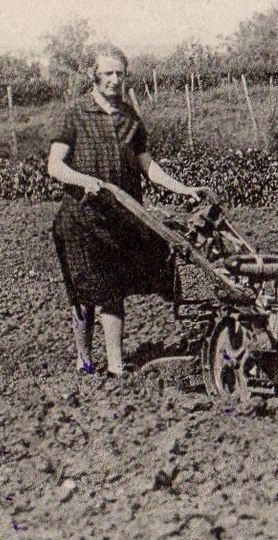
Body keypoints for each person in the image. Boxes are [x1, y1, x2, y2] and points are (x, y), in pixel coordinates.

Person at [46, 47, 214, 376]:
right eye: (107, 73)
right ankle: (84, 360)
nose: (114, 80)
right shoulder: (76, 114)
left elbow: (147, 166)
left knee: (112, 291)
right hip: (81, 219)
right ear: (93, 75)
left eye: (119, 73)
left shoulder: (129, 117)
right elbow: (55, 166)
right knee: (83, 294)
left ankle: (116, 366)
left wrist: (184, 189)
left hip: (119, 219)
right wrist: (84, 181)